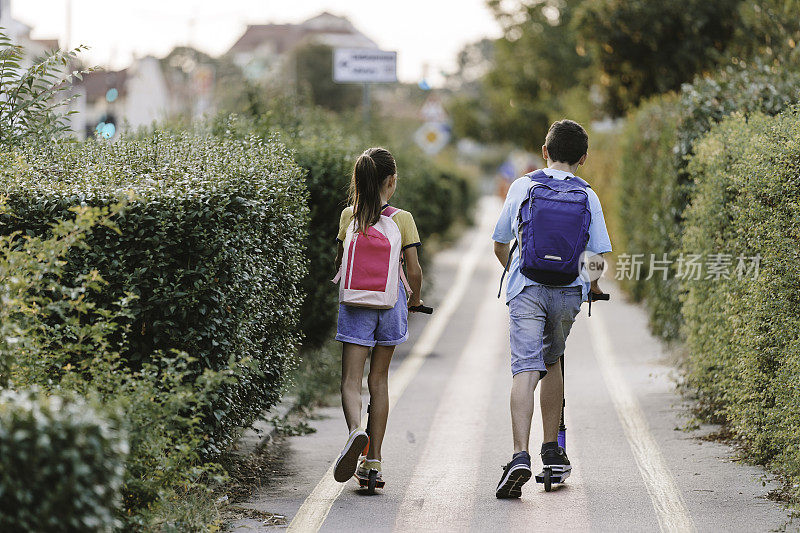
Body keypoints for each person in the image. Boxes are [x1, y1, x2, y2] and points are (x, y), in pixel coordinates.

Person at [492, 120, 612, 498]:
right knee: (554, 359)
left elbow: (499, 242)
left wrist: (515, 273)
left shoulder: (523, 185)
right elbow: (596, 255)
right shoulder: (588, 195)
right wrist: (592, 287)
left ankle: (519, 456)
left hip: (527, 286)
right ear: (583, 158)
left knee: (526, 368)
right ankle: (551, 449)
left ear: (545, 151)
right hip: (566, 293)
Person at [331, 147, 424, 486]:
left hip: (356, 303)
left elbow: (340, 260)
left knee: (350, 381)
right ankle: (374, 461)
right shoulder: (403, 219)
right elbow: (413, 270)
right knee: (379, 381)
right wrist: (414, 300)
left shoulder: (348, 216)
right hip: (391, 304)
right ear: (390, 181)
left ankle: (356, 431)